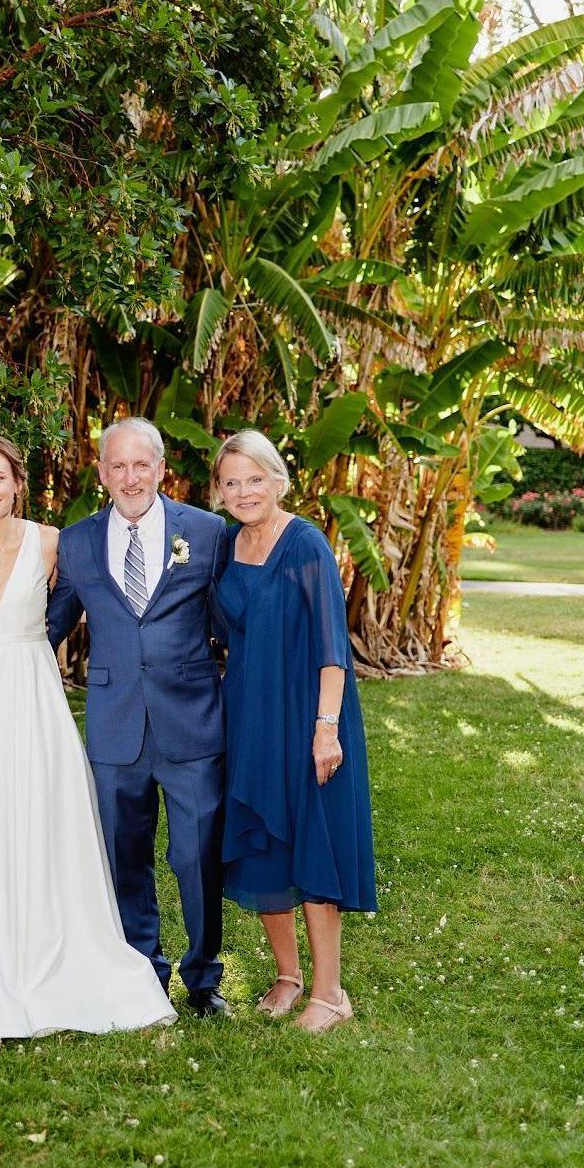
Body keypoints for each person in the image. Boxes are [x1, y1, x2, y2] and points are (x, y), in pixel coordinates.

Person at [0, 436, 174, 1038]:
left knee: (36, 813)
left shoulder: (50, 542)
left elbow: (76, 606)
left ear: (17, 482)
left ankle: (51, 952)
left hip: (31, 694)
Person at [47, 417, 233, 1015]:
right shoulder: (75, 543)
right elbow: (46, 628)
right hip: (114, 723)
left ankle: (203, 979)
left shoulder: (206, 533)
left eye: (141, 465)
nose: (130, 477)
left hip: (192, 721)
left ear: (161, 469)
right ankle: (142, 970)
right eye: (117, 466)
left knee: (195, 855)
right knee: (124, 854)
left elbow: (235, 626)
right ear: (101, 474)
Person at [211, 429, 376, 1032]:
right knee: (262, 841)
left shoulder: (306, 543)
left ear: (279, 481)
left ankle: (330, 993)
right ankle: (288, 976)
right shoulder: (226, 544)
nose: (245, 491)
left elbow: (334, 647)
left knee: (312, 843)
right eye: (232, 482)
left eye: (256, 479)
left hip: (306, 713)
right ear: (219, 491)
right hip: (248, 715)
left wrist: (326, 729)